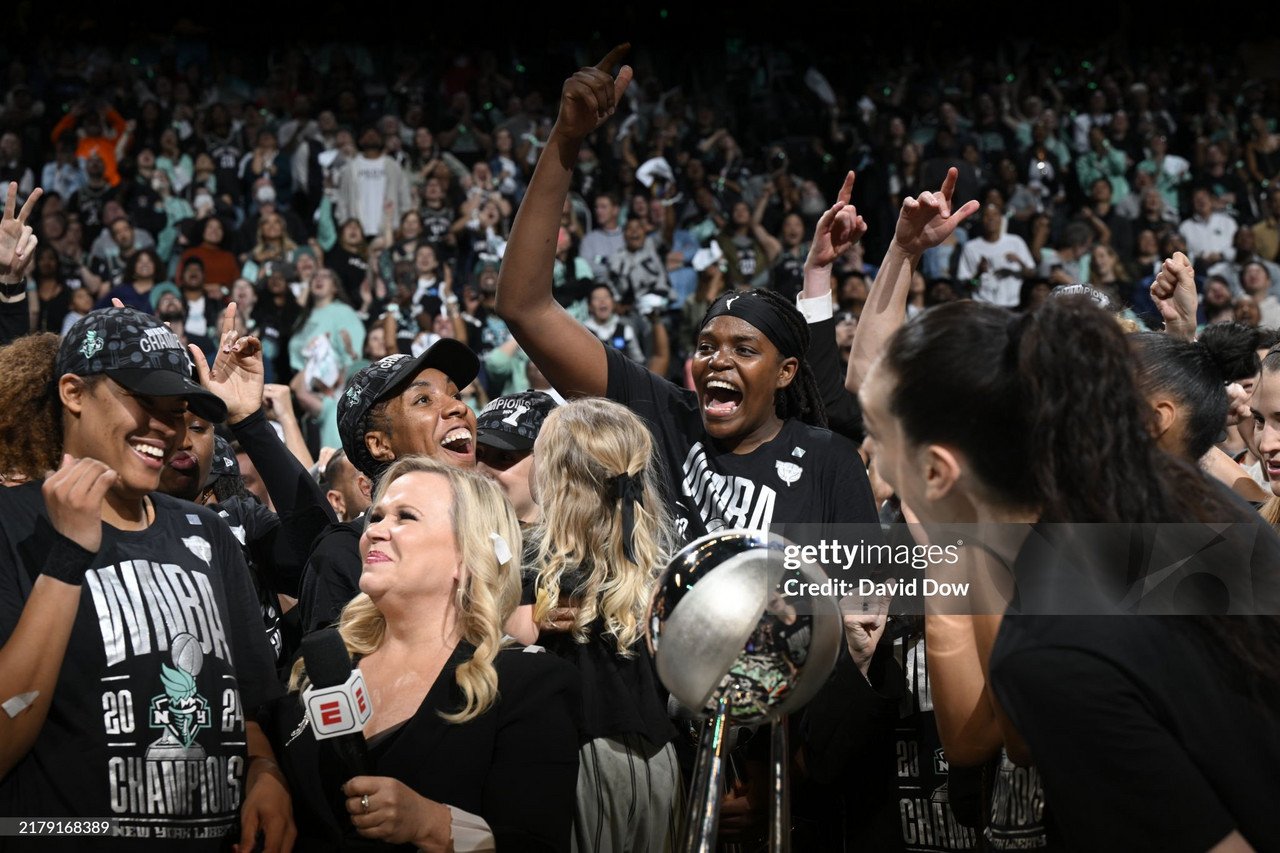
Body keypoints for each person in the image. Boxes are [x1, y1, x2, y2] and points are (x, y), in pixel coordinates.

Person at [858, 295, 1280, 850]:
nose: (875, 464)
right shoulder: (1192, 501)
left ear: (937, 472)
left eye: (881, 444)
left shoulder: (1050, 649)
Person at [496, 48, 878, 544]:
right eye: (705, 346)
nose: (716, 360)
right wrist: (565, 140)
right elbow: (525, 307)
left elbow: (866, 606)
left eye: (743, 349)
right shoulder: (665, 418)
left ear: (785, 373)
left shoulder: (830, 459)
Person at [0, 309, 293, 851]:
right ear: (73, 392)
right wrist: (66, 556)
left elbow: (248, 703)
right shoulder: (12, 523)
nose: (169, 428)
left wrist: (265, 774)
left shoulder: (206, 532)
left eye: (178, 411)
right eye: (146, 403)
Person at [269, 455, 581, 851]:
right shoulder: (321, 664)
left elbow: (536, 841)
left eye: (406, 517)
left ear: (465, 557)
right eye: (377, 517)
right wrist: (266, 776)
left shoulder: (529, 684)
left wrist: (434, 824)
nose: (376, 531)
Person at [517, 398, 681, 853]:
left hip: (580, 761)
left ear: (557, 477)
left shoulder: (539, 563)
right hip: (658, 763)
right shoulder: (655, 559)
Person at [298, 340, 480, 633]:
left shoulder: (502, 532)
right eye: (423, 399)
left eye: (455, 394)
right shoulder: (343, 556)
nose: (458, 406)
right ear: (380, 444)